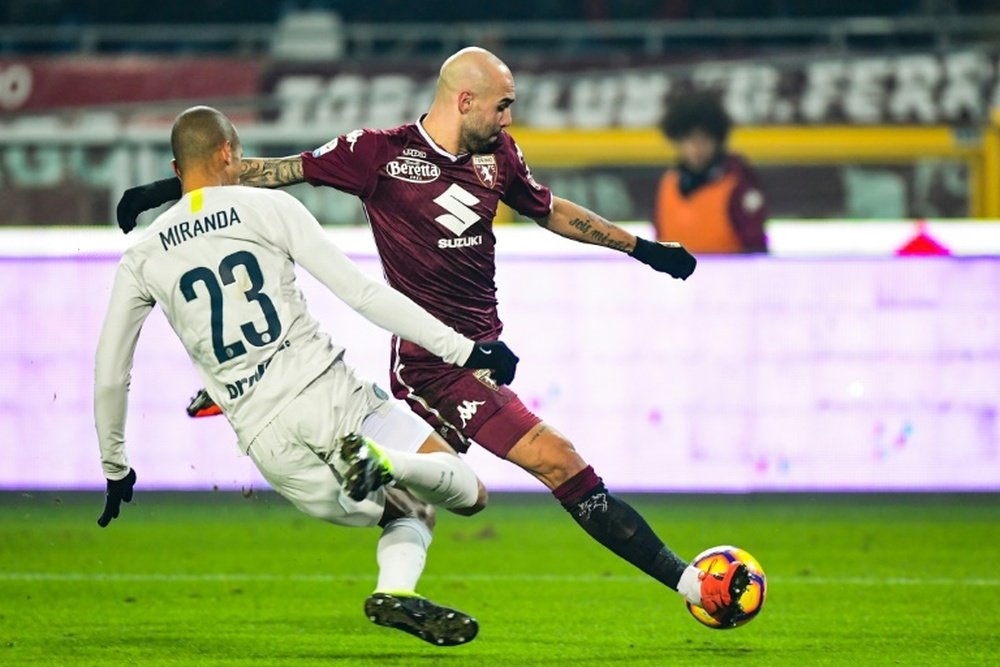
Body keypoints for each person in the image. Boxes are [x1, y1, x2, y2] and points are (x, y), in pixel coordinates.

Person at [117, 48, 750, 626]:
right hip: (433, 364)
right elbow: (276, 171)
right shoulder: (376, 154)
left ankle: (379, 552)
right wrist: (173, 190)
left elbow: (550, 209)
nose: (509, 117)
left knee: (438, 499)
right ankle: (693, 584)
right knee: (555, 459)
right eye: (502, 105)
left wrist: (644, 249)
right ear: (464, 99)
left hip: (480, 355)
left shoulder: (499, 155)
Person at [96, 105, 526, 646]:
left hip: (265, 439)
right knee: (468, 495)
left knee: (406, 509)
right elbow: (362, 294)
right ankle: (382, 462)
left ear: (176, 168)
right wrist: (466, 350)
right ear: (229, 153)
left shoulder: (142, 254)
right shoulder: (268, 208)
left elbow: (111, 373)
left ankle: (396, 592)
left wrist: (116, 467)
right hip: (330, 393)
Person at [653, 91, 768, 253]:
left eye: (703, 139)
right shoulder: (669, 182)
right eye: (688, 139)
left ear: (717, 140)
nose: (695, 148)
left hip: (731, 275)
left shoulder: (737, 182)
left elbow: (755, 245)